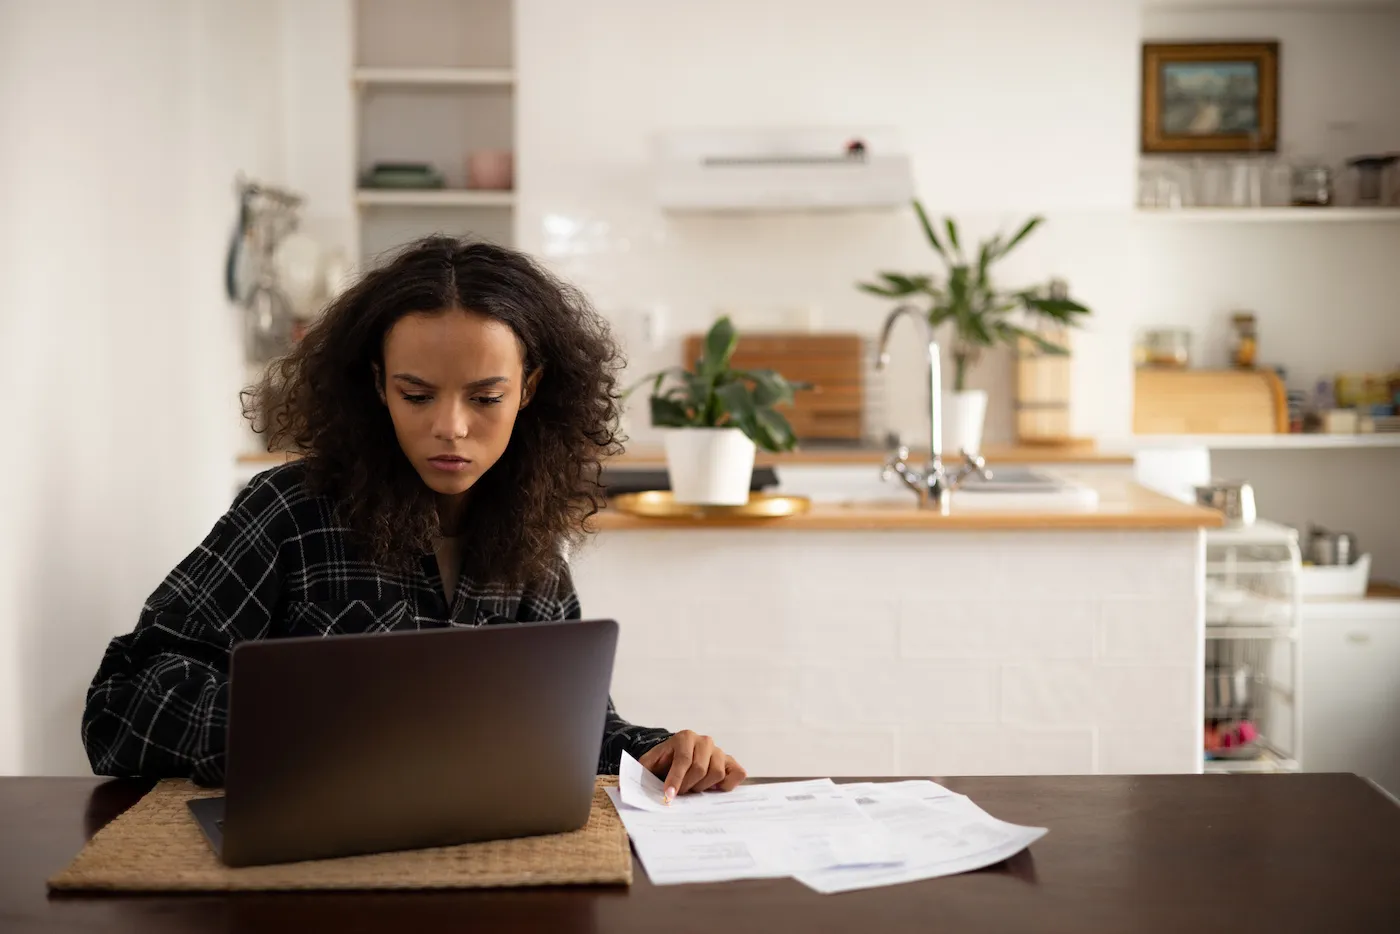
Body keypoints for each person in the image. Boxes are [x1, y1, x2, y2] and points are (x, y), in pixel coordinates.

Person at [82, 236, 746, 801]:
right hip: (304, 871)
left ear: (531, 391)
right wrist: (308, 732)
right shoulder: (291, 511)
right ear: (377, 385)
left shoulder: (530, 548)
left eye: (486, 397)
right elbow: (121, 705)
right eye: (416, 394)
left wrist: (662, 753)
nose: (450, 428)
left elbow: (570, 733)